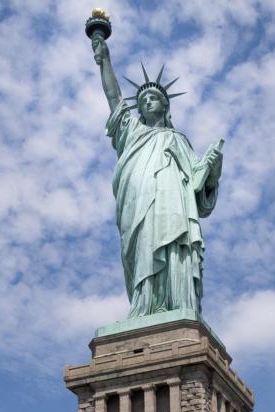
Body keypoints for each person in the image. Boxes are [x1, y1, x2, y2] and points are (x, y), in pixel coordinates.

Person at [91, 34, 224, 319]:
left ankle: (176, 306)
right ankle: (144, 307)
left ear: (166, 105)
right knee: (143, 249)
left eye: (154, 98)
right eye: (143, 100)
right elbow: (114, 99)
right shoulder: (132, 134)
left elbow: (199, 191)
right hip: (137, 205)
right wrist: (105, 60)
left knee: (175, 246)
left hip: (172, 206)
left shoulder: (178, 140)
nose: (147, 102)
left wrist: (211, 171)